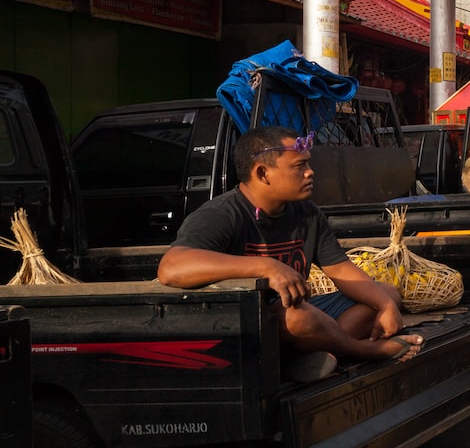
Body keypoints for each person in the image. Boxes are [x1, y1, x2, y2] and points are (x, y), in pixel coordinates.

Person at [158, 126, 424, 380]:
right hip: (246, 327)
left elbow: (341, 269)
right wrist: (267, 267)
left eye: (308, 164)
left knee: (384, 293)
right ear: (263, 174)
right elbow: (171, 268)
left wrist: (386, 305)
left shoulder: (307, 214)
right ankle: (362, 350)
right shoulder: (221, 215)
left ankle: (314, 354)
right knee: (299, 317)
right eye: (299, 166)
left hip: (299, 315)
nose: (310, 173)